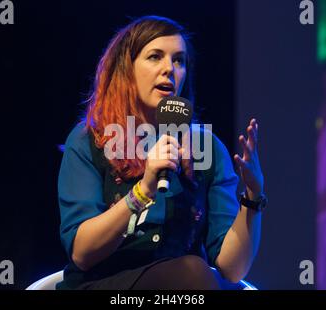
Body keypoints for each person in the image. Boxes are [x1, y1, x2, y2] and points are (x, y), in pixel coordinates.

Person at [57, 15, 266, 290]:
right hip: (104, 285)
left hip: (182, 289)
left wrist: (252, 197)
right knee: (193, 273)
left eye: (179, 60)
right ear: (126, 69)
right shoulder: (90, 140)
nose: (169, 68)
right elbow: (82, 254)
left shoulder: (207, 148)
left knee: (202, 277)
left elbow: (232, 268)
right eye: (155, 57)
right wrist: (143, 190)